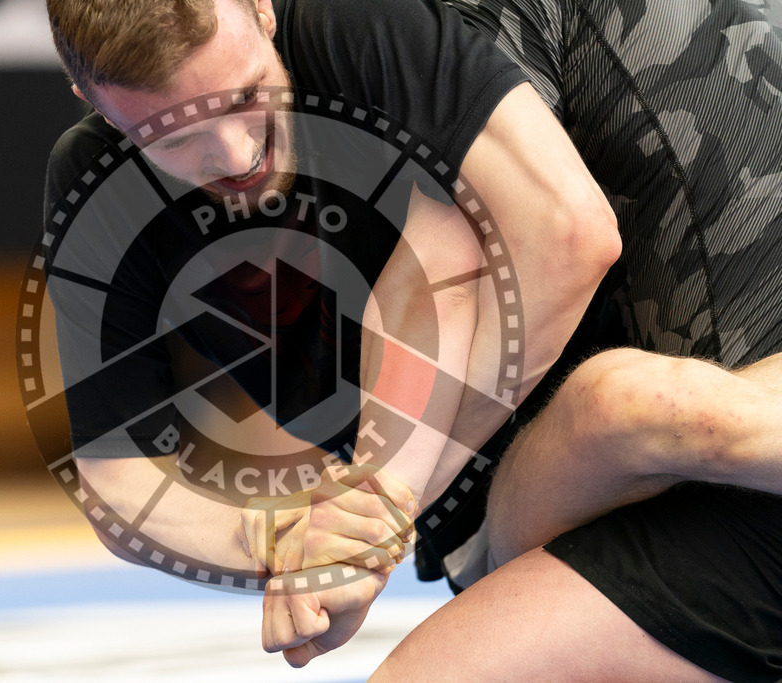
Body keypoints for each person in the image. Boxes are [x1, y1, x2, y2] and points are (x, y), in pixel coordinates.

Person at [41, 0, 781, 679]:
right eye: (172, 136)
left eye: (246, 96)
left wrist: (375, 513)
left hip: (629, 444)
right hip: (521, 509)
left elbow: (522, 250)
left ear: (262, 10)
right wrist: (279, 537)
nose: (236, 157)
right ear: (94, 104)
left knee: (624, 402)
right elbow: (118, 480)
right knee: (616, 405)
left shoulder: (353, 34)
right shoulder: (97, 192)